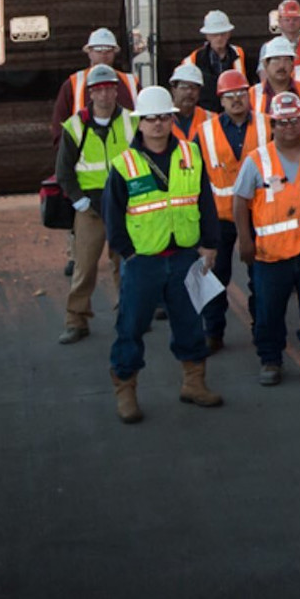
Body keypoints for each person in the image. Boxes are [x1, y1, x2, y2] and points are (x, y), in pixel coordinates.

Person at [102, 86, 223, 424]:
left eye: (163, 118)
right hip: (144, 261)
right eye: (150, 118)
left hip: (185, 255)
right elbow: (113, 215)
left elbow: (205, 202)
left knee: (189, 322)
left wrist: (209, 244)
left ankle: (194, 383)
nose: (157, 124)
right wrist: (128, 254)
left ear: (172, 120)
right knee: (131, 325)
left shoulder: (191, 154)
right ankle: (125, 389)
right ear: (139, 123)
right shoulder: (124, 165)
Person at [234, 91, 300, 386]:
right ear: (273, 126)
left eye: (294, 121)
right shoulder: (257, 160)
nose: (289, 127)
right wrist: (245, 240)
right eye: (283, 122)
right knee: (269, 310)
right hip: (271, 254)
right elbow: (240, 200)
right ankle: (270, 359)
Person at [55, 64, 136, 344]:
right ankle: (76, 321)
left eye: (110, 88)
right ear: (90, 93)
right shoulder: (75, 126)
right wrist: (78, 201)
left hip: (124, 205)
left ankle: (129, 315)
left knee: (124, 263)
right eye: (99, 90)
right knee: (85, 266)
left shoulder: (131, 122)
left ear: (117, 91)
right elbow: (63, 171)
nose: (105, 95)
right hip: (90, 208)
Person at [198, 69, 258, 352]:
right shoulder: (205, 133)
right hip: (219, 217)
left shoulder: (268, 126)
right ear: (220, 100)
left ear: (249, 96)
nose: (236, 100)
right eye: (229, 95)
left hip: (259, 214)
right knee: (214, 276)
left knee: (261, 277)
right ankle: (213, 331)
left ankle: (263, 326)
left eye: (241, 93)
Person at [54, 28, 136, 125]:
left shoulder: (131, 82)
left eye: (108, 49)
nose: (103, 54)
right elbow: (59, 123)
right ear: (89, 52)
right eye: (98, 49)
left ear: (114, 52)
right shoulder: (73, 83)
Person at [183, 10, 246, 83]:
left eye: (223, 33)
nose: (219, 38)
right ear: (207, 36)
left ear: (229, 34)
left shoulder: (240, 54)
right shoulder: (192, 60)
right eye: (215, 34)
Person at [169, 63, 210, 144]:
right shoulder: (162, 119)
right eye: (184, 87)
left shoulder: (210, 119)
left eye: (194, 87)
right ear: (173, 90)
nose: (189, 91)